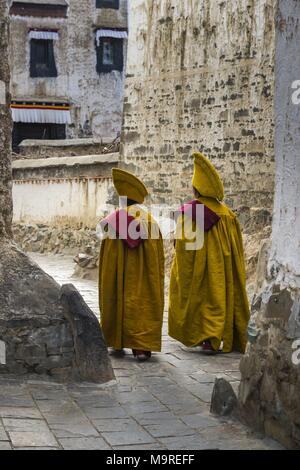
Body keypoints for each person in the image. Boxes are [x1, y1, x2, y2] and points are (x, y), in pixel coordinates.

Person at [168, 152, 250, 354]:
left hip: (198, 265)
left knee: (201, 296)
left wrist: (181, 270)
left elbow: (184, 247)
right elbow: (237, 246)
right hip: (223, 267)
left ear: (196, 188)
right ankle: (216, 337)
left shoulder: (191, 212)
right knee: (219, 296)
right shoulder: (228, 214)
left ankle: (206, 338)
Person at [98, 168, 164, 361]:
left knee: (116, 293)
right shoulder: (150, 221)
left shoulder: (114, 221)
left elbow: (108, 261)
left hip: (121, 272)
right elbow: (157, 258)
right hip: (145, 274)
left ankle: (116, 340)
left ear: (123, 198)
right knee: (143, 297)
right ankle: (141, 346)